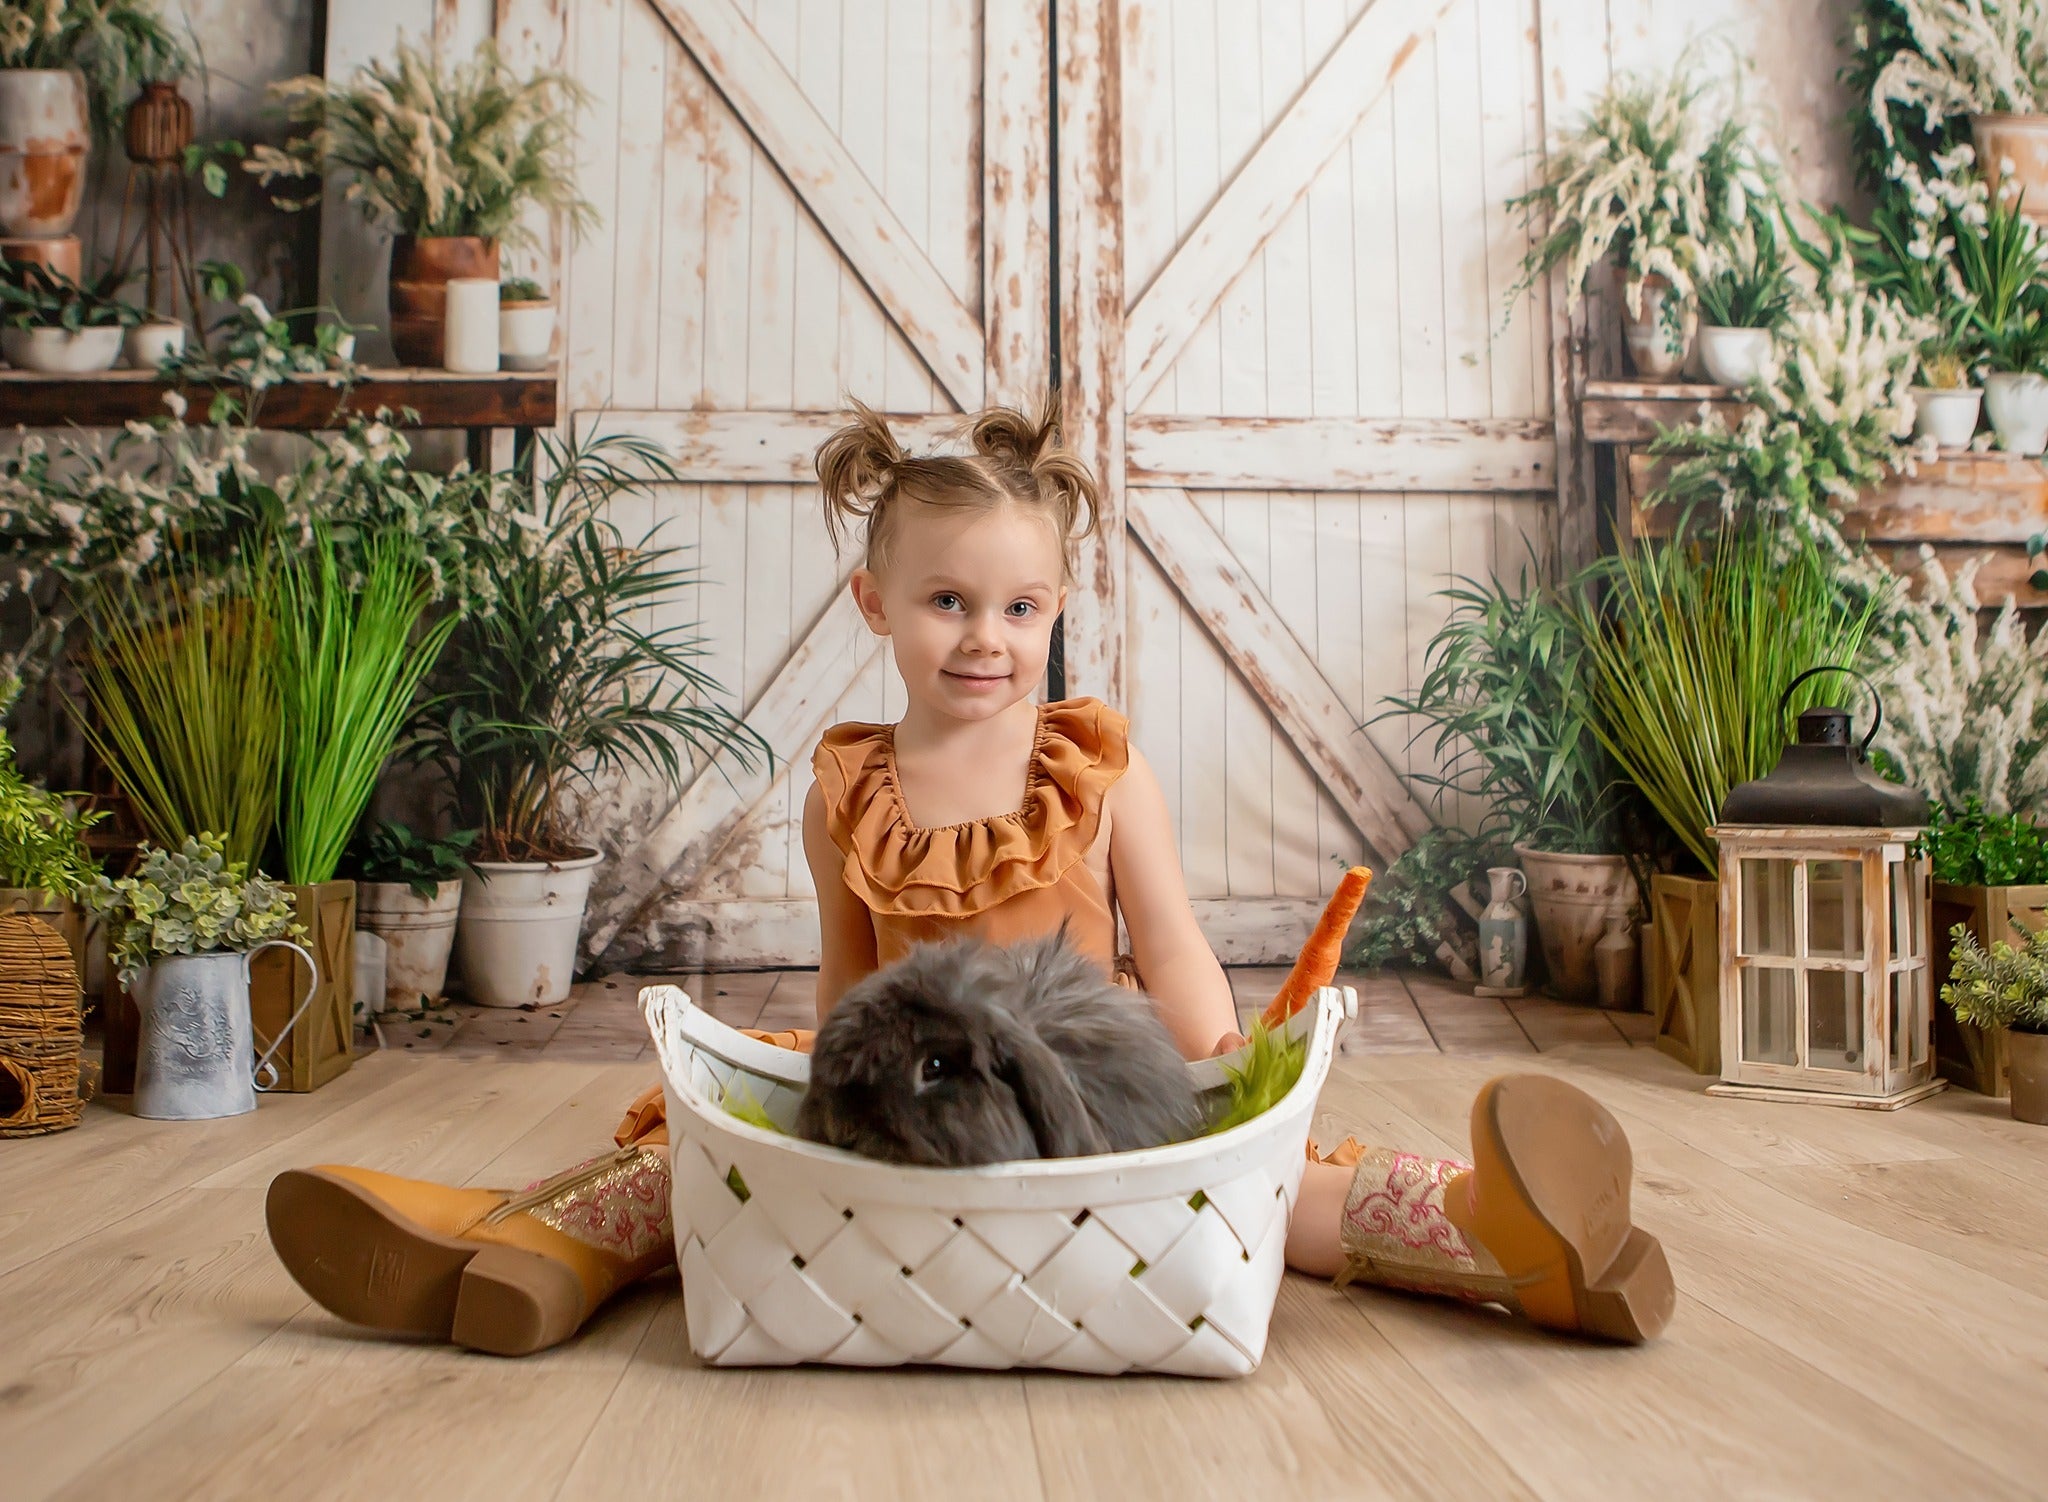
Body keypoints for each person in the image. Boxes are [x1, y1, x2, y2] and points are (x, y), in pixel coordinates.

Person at [265, 395, 1675, 1356]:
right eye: (947, 600)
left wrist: (1228, 1079)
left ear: (1058, 607)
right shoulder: (847, 794)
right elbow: (840, 981)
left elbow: (1172, 951)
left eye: (1019, 605)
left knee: (1272, 1194)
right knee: (712, 1147)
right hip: (911, 1106)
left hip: (1086, 1086)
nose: (985, 637)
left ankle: (1510, 1241)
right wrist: (813, 1096)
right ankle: (514, 1247)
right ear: (876, 602)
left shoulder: (1095, 770)